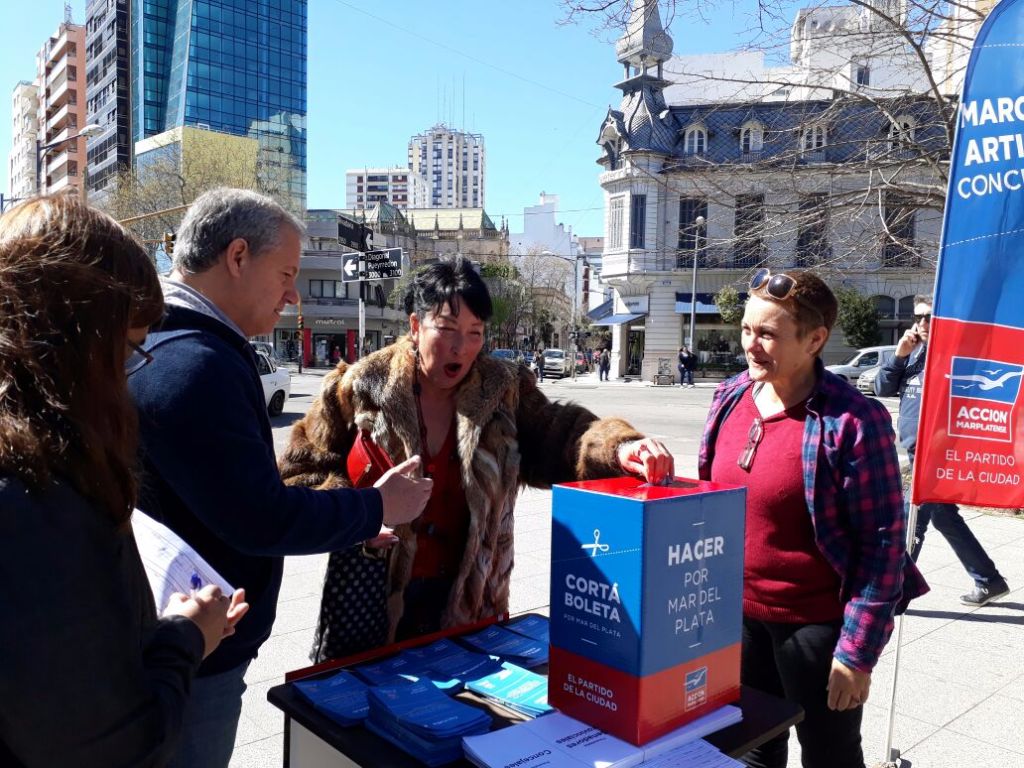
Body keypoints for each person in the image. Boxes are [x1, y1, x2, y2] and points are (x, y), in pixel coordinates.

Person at [128, 188, 431, 768]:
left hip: (169, 632)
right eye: (287, 273)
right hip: (193, 655)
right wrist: (377, 506)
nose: (293, 295)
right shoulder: (197, 366)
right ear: (237, 256)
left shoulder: (156, 340)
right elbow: (259, 516)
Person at [280, 256, 674, 658]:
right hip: (371, 599)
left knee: (466, 714)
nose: (461, 347)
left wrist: (621, 446)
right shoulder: (358, 387)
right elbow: (299, 476)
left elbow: (560, 434)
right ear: (415, 327)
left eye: (474, 332)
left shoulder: (502, 389)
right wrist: (358, 515)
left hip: (471, 600)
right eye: (447, 329)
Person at [0, 195, 248, 766]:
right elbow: (115, 747)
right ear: (79, 344)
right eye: (130, 348)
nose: (129, 376)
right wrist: (186, 635)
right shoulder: (34, 501)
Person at [698, 268, 927, 768]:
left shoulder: (852, 421)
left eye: (768, 334)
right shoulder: (731, 396)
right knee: (753, 747)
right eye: (746, 330)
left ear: (815, 339)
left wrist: (856, 654)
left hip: (815, 627)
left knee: (830, 754)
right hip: (737, 620)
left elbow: (883, 545)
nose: (751, 345)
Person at [875, 295, 1009, 606]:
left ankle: (895, 594)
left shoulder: (955, 356)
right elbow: (882, 389)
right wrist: (898, 356)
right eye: (918, 316)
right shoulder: (912, 353)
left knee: (912, 519)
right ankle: (989, 580)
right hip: (915, 450)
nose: (922, 323)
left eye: (929, 317)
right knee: (944, 518)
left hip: (936, 456)